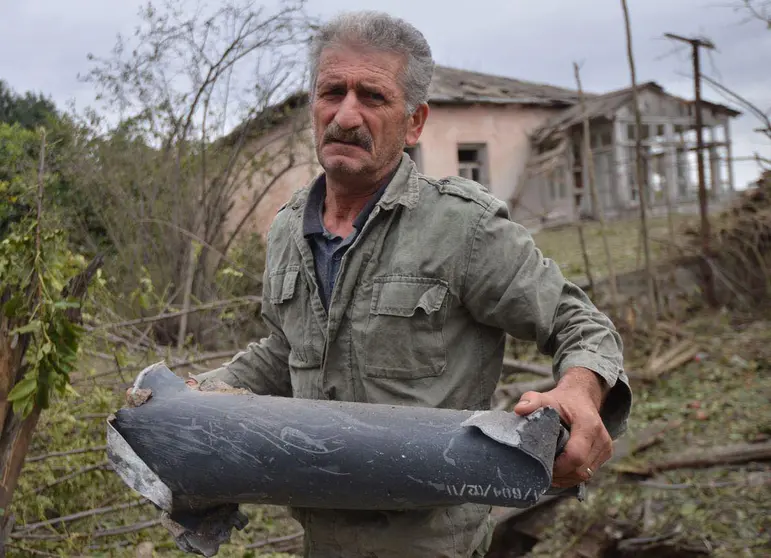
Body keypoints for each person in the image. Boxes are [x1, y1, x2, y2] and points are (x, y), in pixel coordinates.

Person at [189, 10, 632, 558]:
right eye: (332, 91)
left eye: (372, 97)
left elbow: (578, 322)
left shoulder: (461, 227)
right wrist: (194, 394)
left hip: (431, 542)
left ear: (415, 122)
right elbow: (285, 353)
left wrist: (578, 393)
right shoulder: (287, 230)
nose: (346, 115)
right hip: (320, 536)